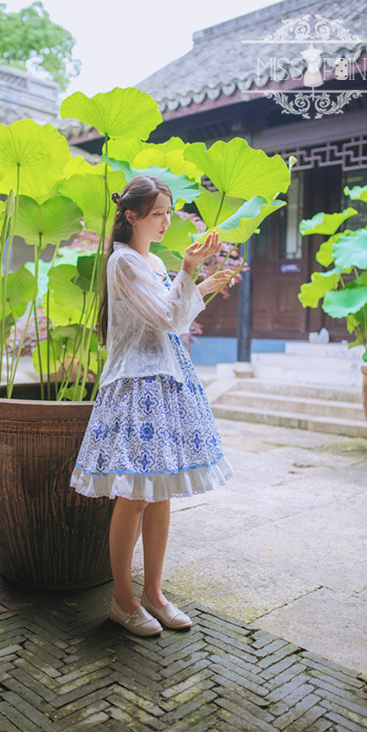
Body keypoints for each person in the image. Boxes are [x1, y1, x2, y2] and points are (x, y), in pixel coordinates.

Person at [70, 174, 236, 637]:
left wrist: (199, 285)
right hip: (135, 385)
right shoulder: (124, 263)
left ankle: (153, 594)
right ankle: (122, 600)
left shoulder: (150, 262)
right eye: (159, 212)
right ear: (132, 216)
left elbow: (174, 317)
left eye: (168, 212)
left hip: (162, 381)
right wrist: (187, 270)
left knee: (160, 493)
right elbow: (166, 316)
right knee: (137, 496)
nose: (166, 220)